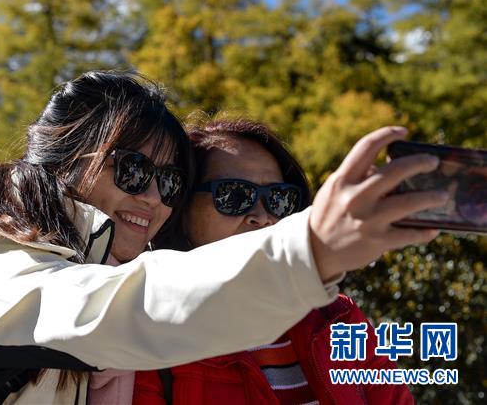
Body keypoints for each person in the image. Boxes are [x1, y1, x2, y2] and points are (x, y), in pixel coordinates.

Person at [0, 70, 443, 404]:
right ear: (63, 162)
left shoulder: (338, 322)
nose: (153, 197)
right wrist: (311, 247)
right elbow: (131, 308)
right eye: (132, 170)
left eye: (170, 181)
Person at [133, 118, 414, 404]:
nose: (263, 216)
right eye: (234, 195)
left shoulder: (338, 318)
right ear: (182, 210)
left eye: (278, 199)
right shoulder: (149, 337)